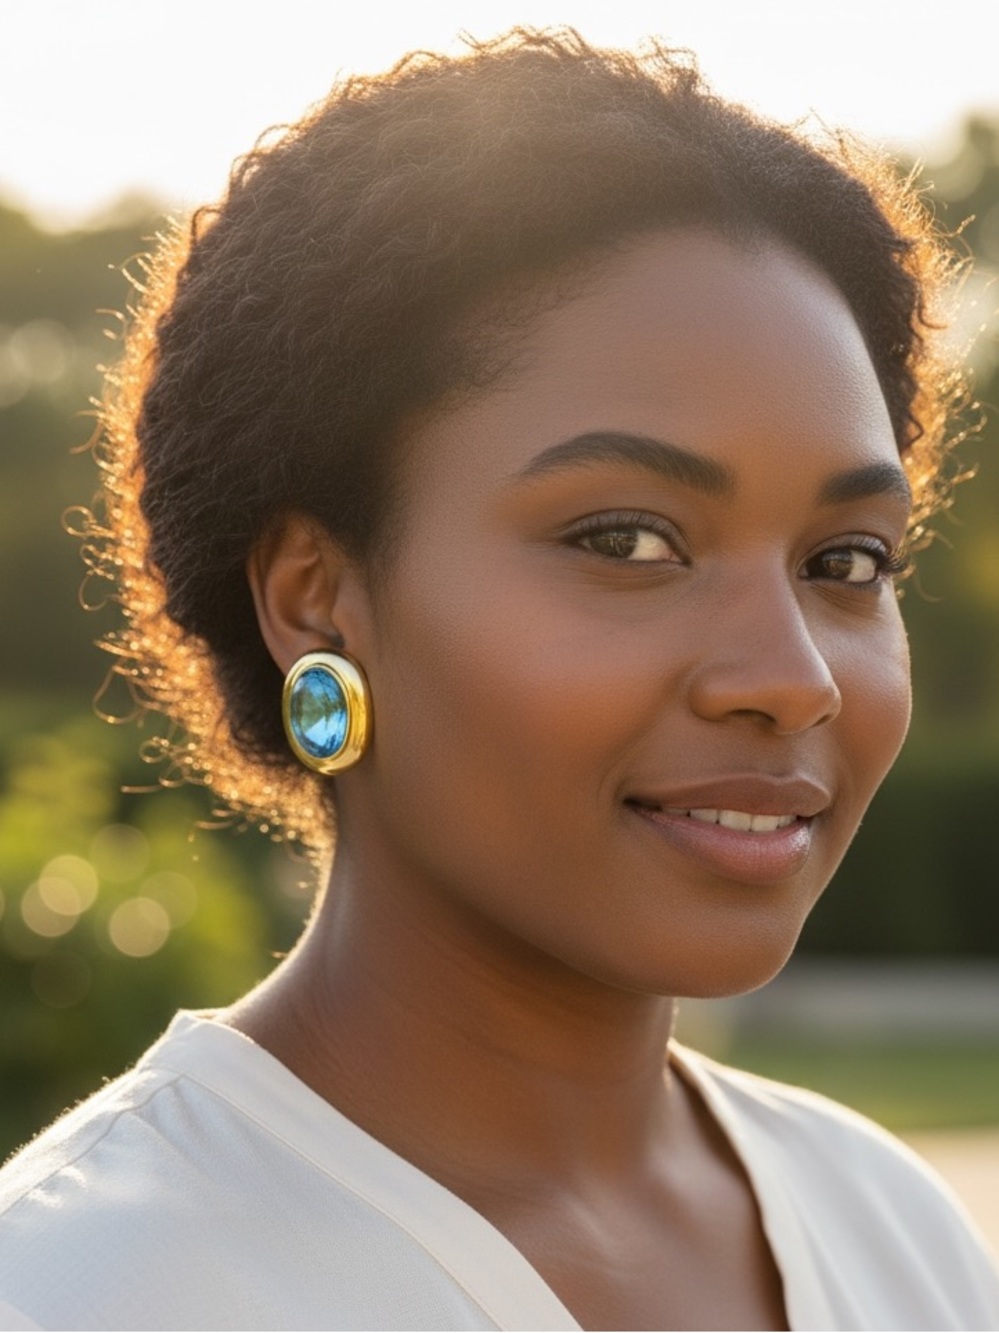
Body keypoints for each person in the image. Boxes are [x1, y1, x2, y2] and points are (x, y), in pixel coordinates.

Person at [1, 27, 997, 1332]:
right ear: (317, 594)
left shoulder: (894, 1228)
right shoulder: (90, 1287)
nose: (793, 677)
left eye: (846, 559)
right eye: (628, 539)